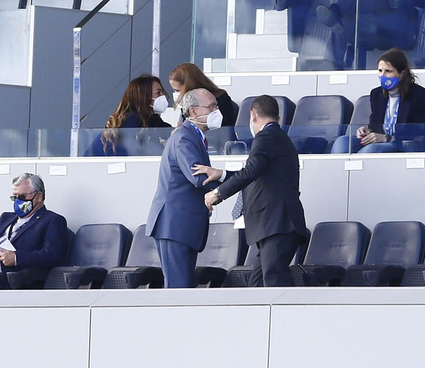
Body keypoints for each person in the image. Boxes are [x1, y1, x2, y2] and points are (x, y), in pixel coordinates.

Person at [193, 96, 309, 287]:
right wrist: (222, 174)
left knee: (274, 284)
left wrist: (218, 193)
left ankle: (284, 317)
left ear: (252, 115)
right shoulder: (277, 137)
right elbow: (259, 174)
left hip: (277, 225)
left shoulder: (266, 137)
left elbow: (252, 171)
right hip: (275, 226)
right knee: (256, 285)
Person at [147, 88, 219, 289]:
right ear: (194, 111)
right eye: (211, 106)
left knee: (184, 288)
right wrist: (231, 179)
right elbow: (198, 178)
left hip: (182, 225)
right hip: (174, 224)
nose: (216, 111)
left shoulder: (192, 136)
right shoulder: (185, 137)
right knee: (178, 291)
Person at [0, 173, 73, 290]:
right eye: (14, 197)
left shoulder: (52, 220)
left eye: (22, 197)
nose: (17, 201)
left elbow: (52, 256)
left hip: (15, 280)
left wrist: (17, 258)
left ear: (39, 196)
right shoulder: (6, 218)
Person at [334, 48, 425, 153]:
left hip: (400, 144)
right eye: (380, 71)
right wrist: (367, 132)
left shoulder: (419, 94)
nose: (382, 75)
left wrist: (387, 138)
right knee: (342, 142)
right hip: (381, 142)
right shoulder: (376, 94)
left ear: (401, 74)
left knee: (370, 150)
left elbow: (422, 130)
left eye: (388, 71)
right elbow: (375, 126)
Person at [92, 75, 171, 156]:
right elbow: (139, 150)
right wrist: (164, 145)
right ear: (144, 96)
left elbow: (168, 132)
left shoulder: (151, 118)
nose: (162, 96)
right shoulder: (132, 120)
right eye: (158, 93)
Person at [169, 63, 239, 131]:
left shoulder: (222, 100)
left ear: (189, 87)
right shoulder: (187, 105)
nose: (176, 94)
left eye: (177, 90)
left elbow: (224, 131)